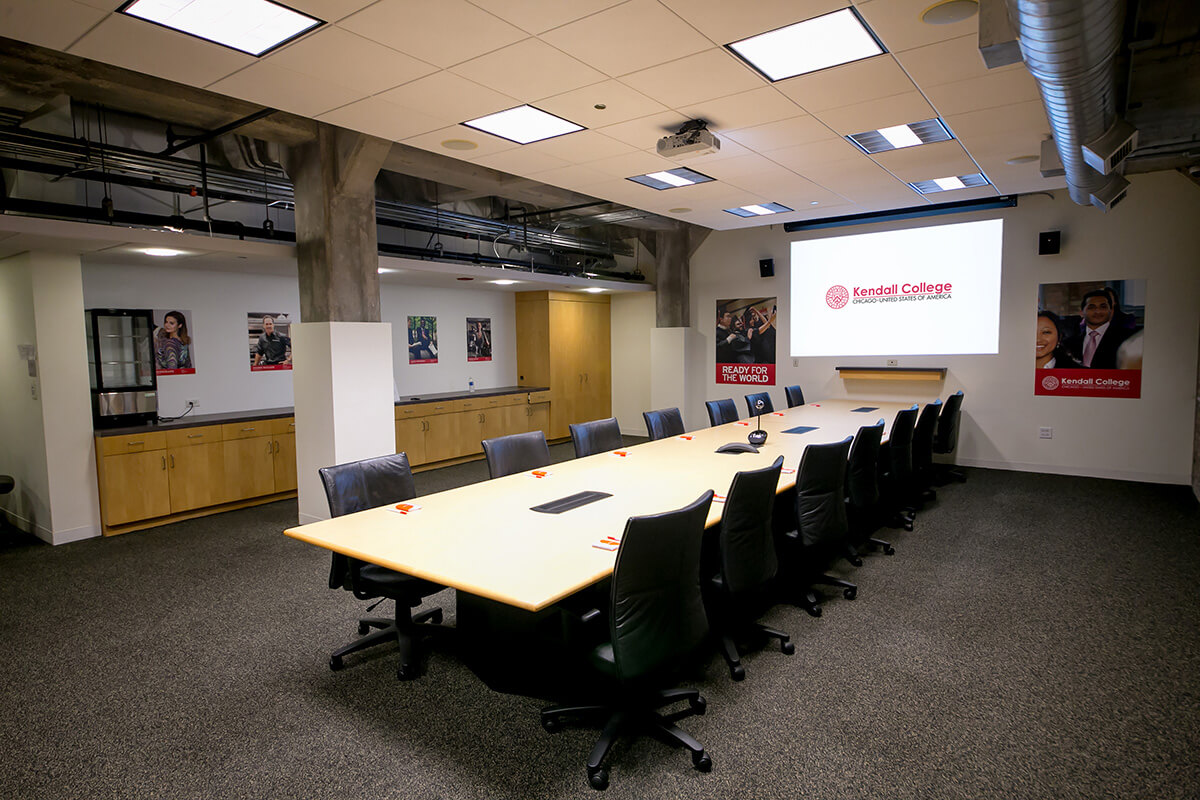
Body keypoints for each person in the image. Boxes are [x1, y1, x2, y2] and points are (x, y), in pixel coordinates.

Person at [1063, 290, 1135, 369]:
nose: (1098, 311)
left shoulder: (1127, 339)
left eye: (1103, 307)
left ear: (1111, 311)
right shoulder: (1069, 344)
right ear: (1082, 312)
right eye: (1091, 307)